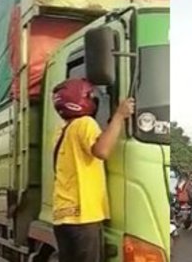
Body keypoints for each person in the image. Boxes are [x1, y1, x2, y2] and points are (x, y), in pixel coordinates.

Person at [51, 78, 134, 262]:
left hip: (62, 217)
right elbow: (102, 150)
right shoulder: (85, 123)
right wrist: (120, 116)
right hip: (83, 216)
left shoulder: (62, 130)